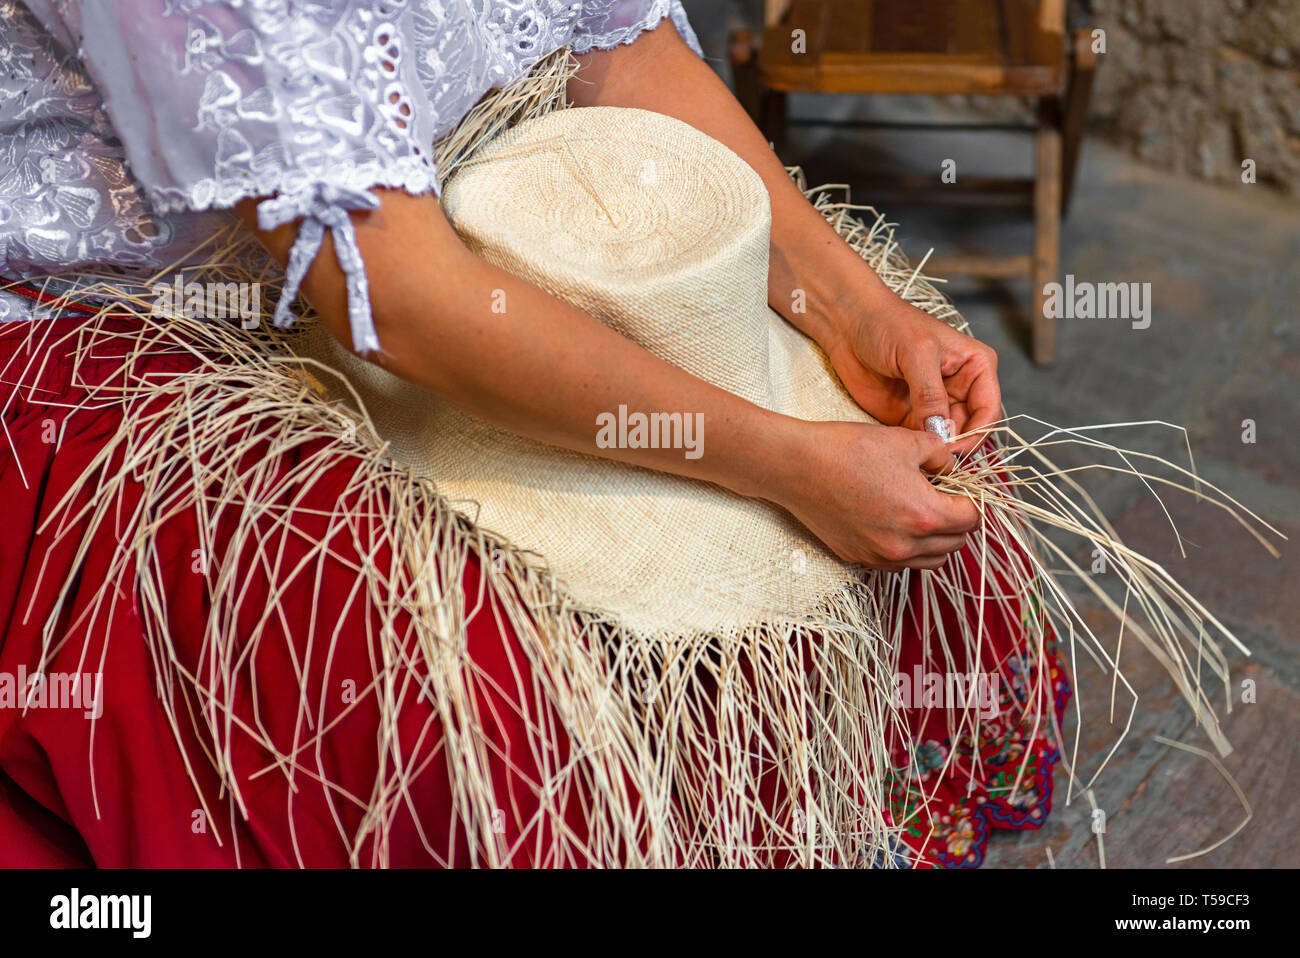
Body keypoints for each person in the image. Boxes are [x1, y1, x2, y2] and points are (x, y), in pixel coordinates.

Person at [0, 0, 1065, 867]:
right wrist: (785, 460)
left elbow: (616, 44)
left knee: (927, 489)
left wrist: (849, 307)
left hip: (476, 207)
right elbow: (402, 298)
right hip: (168, 316)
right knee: (476, 684)